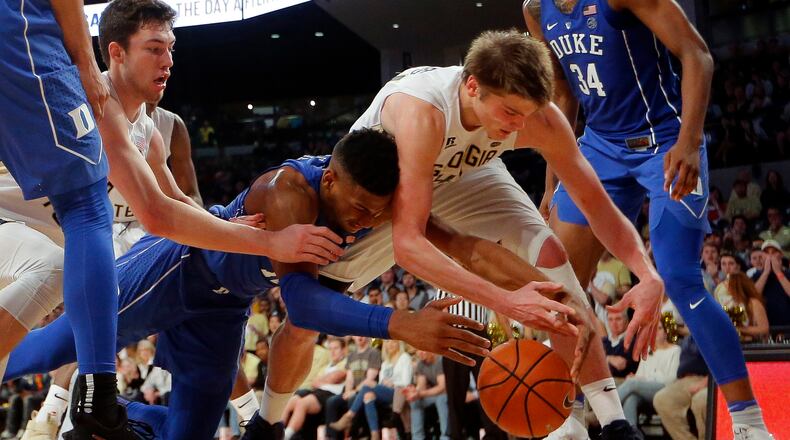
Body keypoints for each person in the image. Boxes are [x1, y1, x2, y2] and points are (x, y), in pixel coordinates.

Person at [3, 130, 492, 440]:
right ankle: (88, 405)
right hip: (179, 269)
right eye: (359, 207)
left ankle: (97, 417)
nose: (365, 221)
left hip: (223, 307)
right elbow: (300, 303)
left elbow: (451, 239)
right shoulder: (288, 192)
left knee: (187, 433)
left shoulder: (370, 201)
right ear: (332, 179)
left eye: (376, 212)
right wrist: (401, 323)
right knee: (50, 347)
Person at [300, 29, 666, 440]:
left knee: (549, 254)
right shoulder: (425, 112)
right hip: (388, 191)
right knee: (307, 305)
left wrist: (647, 273)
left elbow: (597, 204)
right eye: (510, 113)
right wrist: (507, 301)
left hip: (468, 174)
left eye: (527, 114)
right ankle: (263, 416)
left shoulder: (538, 119)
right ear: (472, 87)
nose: (519, 126)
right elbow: (409, 245)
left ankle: (610, 422)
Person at [523, 0, 772, 437]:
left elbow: (698, 56)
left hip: (664, 140)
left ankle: (749, 423)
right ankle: (572, 416)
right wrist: (552, 180)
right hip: (598, 147)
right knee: (561, 283)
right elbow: (561, 95)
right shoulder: (534, 8)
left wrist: (690, 142)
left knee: (680, 278)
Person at [329, 339, 413, 440]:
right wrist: (385, 384)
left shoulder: (405, 358)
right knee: (368, 396)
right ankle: (374, 435)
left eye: (393, 342)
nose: (390, 344)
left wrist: (392, 383)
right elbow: (381, 382)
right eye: (387, 342)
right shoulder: (386, 362)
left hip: (399, 393)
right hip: (386, 392)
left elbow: (406, 382)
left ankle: (348, 416)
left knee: (367, 385)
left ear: (399, 344)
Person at [281, 337, 348, 440]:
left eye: (336, 348)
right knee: (292, 401)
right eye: (330, 349)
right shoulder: (326, 366)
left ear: (343, 350)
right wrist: (327, 379)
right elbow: (314, 383)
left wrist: (324, 379)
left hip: (331, 393)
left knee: (301, 403)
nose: (332, 352)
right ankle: (276, 431)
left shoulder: (346, 362)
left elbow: (337, 376)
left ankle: (286, 436)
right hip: (318, 392)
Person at [751, 240, 790, 327]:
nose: (770, 255)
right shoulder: (756, 276)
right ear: (762, 256)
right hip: (766, 326)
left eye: (773, 252)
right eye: (766, 252)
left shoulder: (788, 274)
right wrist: (766, 273)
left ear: (781, 254)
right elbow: (753, 297)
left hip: (787, 326)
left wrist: (778, 272)